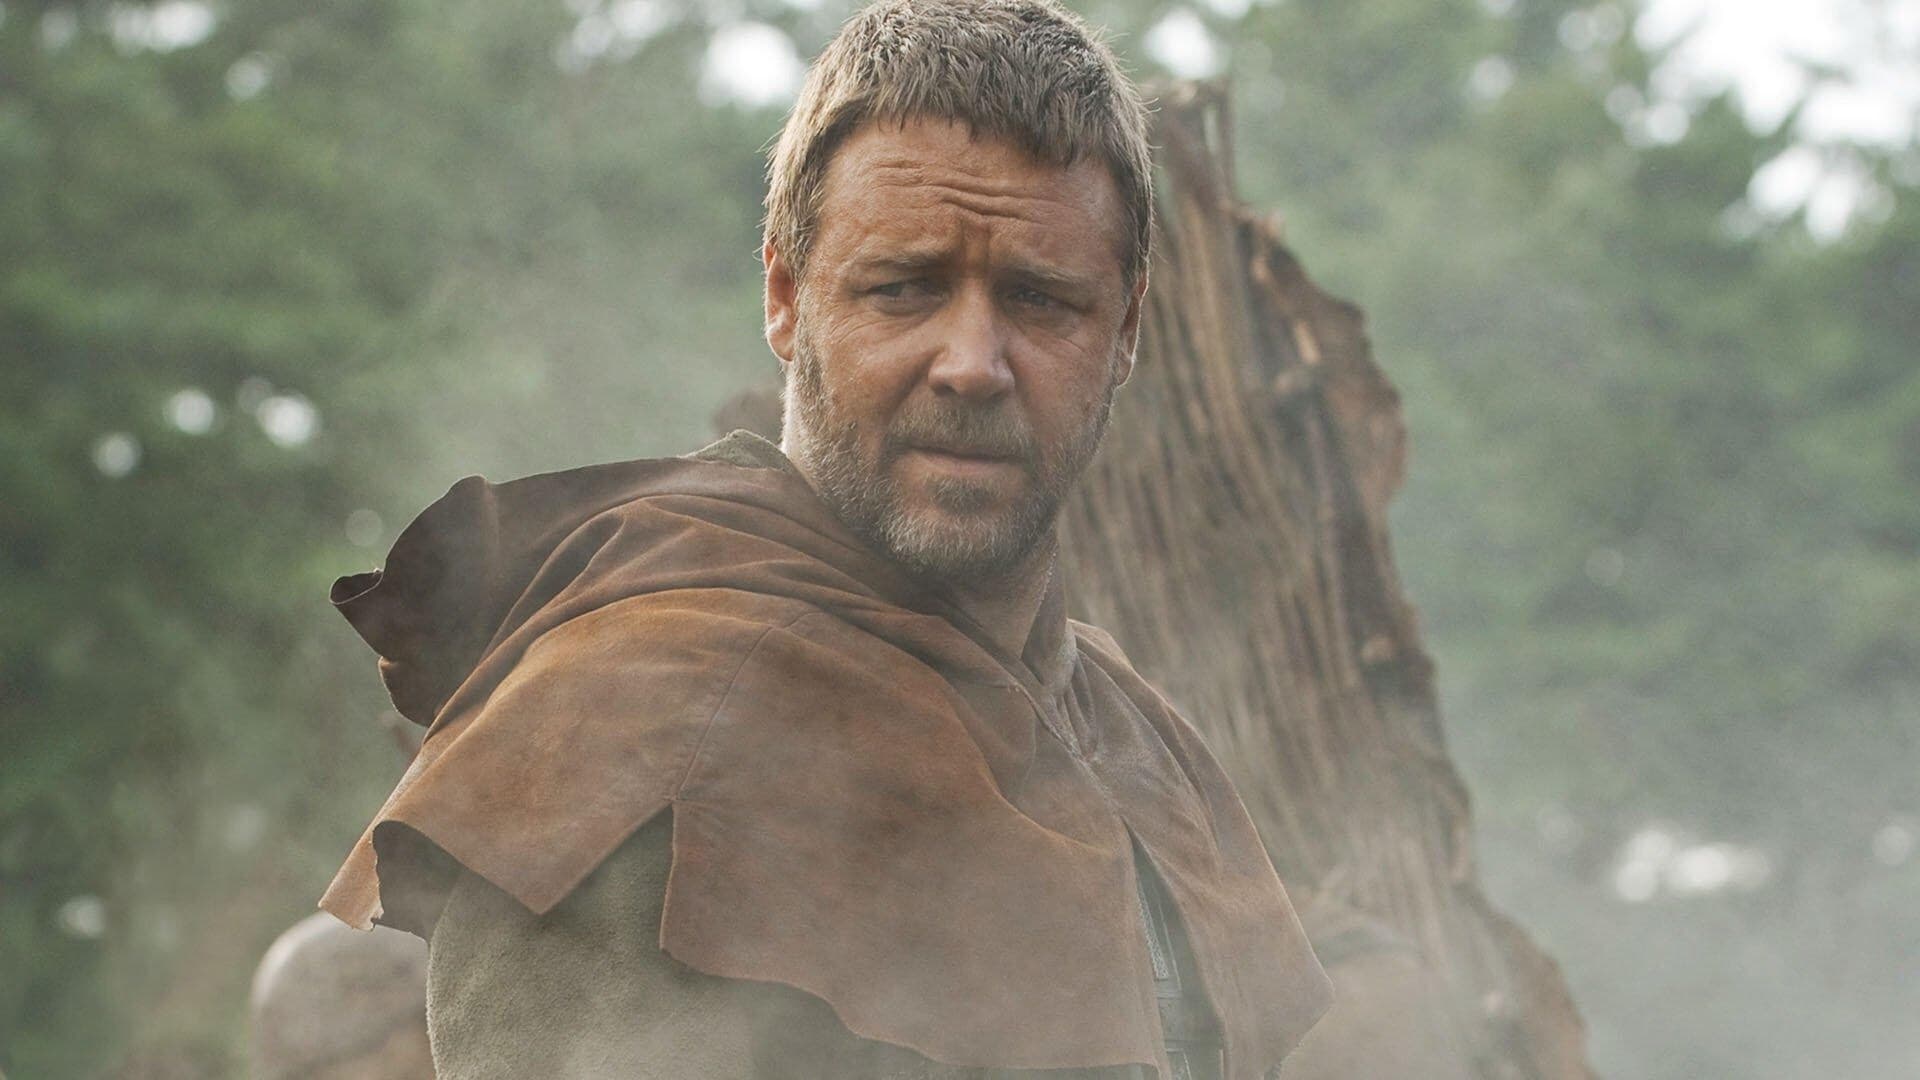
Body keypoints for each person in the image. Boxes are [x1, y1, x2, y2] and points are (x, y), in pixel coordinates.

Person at [318, 1, 1332, 1076]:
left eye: (1041, 301)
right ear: (786, 296)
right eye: (906, 289)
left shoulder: (1144, 744)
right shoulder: (629, 729)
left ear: (1124, 329)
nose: (973, 364)